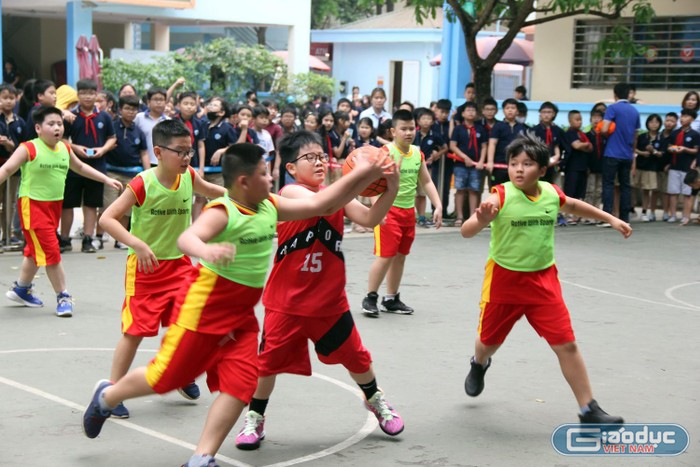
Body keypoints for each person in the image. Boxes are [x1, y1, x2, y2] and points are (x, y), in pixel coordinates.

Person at [82, 142, 393, 467]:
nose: (270, 179)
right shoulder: (222, 211)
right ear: (244, 182)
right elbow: (187, 238)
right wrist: (205, 251)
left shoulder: (271, 206)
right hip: (203, 310)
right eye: (263, 174)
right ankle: (108, 396)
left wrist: (369, 173)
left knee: (241, 383)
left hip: (241, 315)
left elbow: (323, 202)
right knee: (167, 378)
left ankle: (202, 458)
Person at [234, 131, 403, 450]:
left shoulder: (335, 195)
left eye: (322, 157)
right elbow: (320, 205)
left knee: (357, 358)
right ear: (291, 168)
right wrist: (366, 170)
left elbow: (369, 217)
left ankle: (375, 399)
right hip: (287, 302)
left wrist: (390, 185)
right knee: (267, 364)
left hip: (329, 301)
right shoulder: (289, 193)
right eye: (309, 158)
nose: (319, 162)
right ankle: (255, 418)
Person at [460, 132, 631, 424]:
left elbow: (574, 205)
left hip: (543, 282)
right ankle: (479, 364)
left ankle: (589, 408)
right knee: (487, 342)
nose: (518, 169)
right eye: (514, 163)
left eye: (527, 164)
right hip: (505, 281)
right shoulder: (499, 195)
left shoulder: (551, 193)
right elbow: (466, 230)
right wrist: (482, 219)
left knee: (567, 344)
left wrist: (610, 218)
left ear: (542, 169)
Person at [99, 119, 227, 419]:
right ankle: (112, 390)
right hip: (145, 270)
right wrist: (138, 244)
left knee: (189, 323)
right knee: (134, 333)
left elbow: (212, 190)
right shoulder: (144, 182)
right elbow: (108, 219)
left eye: (189, 152)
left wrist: (244, 199)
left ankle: (181, 376)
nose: (186, 158)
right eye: (180, 152)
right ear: (158, 151)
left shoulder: (189, 177)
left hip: (179, 265)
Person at [0, 106, 121, 317]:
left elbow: (81, 168)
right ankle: (63, 295)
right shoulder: (28, 148)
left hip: (54, 206)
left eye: (59, 123)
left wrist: (105, 178)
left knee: (35, 250)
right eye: (51, 124)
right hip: (32, 206)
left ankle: (21, 289)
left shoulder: (64, 149)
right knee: (51, 251)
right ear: (38, 128)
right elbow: (7, 169)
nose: (57, 128)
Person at [361, 109, 443, 317]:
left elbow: (426, 181)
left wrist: (438, 205)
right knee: (385, 256)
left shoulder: (417, 153)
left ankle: (391, 298)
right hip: (389, 211)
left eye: (411, 128)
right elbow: (373, 184)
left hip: (408, 213)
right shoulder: (386, 153)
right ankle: (370, 297)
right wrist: (379, 210)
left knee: (400, 257)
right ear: (392, 131)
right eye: (403, 129)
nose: (408, 132)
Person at [61, 79, 117, 253]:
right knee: (68, 204)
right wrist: (75, 148)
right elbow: (62, 139)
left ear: (96, 95)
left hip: (97, 166)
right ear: (78, 95)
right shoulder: (71, 116)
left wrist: (103, 149)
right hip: (73, 166)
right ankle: (64, 239)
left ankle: (87, 238)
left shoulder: (104, 116)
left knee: (91, 204)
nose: (87, 96)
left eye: (91, 93)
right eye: (83, 93)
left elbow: (112, 138)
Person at [102, 95, 149, 249]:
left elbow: (144, 153)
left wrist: (148, 173)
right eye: (127, 108)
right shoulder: (112, 127)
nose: (131, 112)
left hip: (132, 174)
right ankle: (98, 236)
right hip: (111, 173)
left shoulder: (139, 131)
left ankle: (120, 240)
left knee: (126, 209)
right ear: (120, 109)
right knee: (109, 204)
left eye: (134, 109)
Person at [601, 82, 641, 224]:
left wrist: (606, 134)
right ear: (629, 94)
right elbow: (636, 136)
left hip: (612, 152)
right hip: (627, 154)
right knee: (625, 186)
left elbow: (604, 129)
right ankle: (625, 218)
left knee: (608, 185)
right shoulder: (634, 111)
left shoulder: (612, 108)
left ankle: (607, 218)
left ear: (615, 94)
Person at [449, 102, 487, 224]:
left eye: (473, 110)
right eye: (468, 110)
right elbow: (453, 146)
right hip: (460, 165)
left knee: (474, 190)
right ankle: (459, 216)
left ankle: (472, 216)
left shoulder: (480, 128)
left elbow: (484, 146)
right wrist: (465, 158)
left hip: (476, 166)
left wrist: (481, 161)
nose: (471, 112)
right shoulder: (458, 129)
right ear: (463, 113)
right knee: (460, 190)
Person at [0, 84, 27, 245]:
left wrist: (10, 145)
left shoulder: (20, 122)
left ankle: (7, 236)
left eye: (11, 98)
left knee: (10, 202)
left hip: (14, 168)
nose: (8, 102)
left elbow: (24, 146)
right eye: (4, 98)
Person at [666, 108, 699, 225]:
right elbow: (669, 146)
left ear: (692, 119)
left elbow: (696, 150)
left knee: (687, 193)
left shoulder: (695, 134)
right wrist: (672, 149)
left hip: (687, 167)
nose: (683, 119)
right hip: (675, 165)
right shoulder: (674, 133)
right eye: (682, 116)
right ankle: (673, 214)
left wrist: (685, 149)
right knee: (673, 192)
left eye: (686, 116)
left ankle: (686, 216)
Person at [414, 107, 446, 227]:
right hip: (412, 168)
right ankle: (412, 216)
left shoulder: (435, 135)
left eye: (429, 119)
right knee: (413, 193)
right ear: (418, 121)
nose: (426, 121)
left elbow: (445, 147)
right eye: (424, 118)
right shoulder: (413, 134)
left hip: (427, 168)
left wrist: (436, 155)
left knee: (422, 193)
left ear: (433, 121)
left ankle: (421, 217)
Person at [487, 98, 527, 188]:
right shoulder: (498, 126)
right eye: (507, 108)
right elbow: (492, 144)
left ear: (517, 111)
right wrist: (490, 161)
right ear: (503, 111)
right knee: (498, 191)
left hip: (516, 166)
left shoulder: (522, 128)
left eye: (513, 108)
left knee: (516, 191)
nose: (510, 110)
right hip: (499, 165)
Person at [562, 110, 593, 224]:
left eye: (580, 119)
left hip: (583, 167)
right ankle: (568, 214)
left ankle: (577, 214)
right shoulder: (569, 133)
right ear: (570, 121)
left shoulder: (582, 134)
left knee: (580, 192)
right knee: (571, 191)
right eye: (577, 119)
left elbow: (590, 148)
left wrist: (584, 145)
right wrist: (584, 145)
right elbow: (576, 145)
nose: (579, 122)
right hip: (572, 167)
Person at [633, 114, 662, 222]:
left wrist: (653, 151)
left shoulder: (661, 137)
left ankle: (645, 212)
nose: (654, 124)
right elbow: (634, 149)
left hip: (651, 168)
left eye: (656, 122)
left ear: (659, 124)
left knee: (647, 190)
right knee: (633, 188)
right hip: (639, 166)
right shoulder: (642, 136)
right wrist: (642, 153)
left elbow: (661, 153)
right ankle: (632, 209)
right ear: (647, 123)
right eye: (651, 122)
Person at [134, 86, 169, 166]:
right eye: (155, 99)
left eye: (161, 100)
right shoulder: (139, 117)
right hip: (141, 163)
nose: (159, 102)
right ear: (148, 102)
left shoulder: (169, 121)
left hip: (162, 163)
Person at [174, 91, 206, 178]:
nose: (189, 107)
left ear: (196, 107)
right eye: (185, 103)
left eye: (192, 104)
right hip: (175, 163)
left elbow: (201, 146)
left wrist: (201, 168)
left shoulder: (199, 123)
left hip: (193, 163)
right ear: (179, 105)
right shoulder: (172, 122)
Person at [431, 99, 453, 218]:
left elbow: (452, 139)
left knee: (446, 186)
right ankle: (434, 209)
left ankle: (444, 211)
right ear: (436, 111)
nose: (444, 115)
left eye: (446, 112)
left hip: (448, 160)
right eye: (442, 112)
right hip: (435, 160)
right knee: (434, 184)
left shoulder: (450, 125)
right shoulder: (432, 125)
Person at [533, 102, 563, 184]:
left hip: (554, 165)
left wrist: (557, 157)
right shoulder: (534, 130)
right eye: (544, 112)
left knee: (554, 188)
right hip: (539, 164)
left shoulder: (558, 130)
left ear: (554, 114)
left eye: (549, 112)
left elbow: (558, 146)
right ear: (540, 114)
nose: (546, 115)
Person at [659, 112, 678, 221]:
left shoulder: (675, 136)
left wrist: (670, 164)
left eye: (672, 121)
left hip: (669, 167)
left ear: (676, 123)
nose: (669, 123)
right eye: (667, 120)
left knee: (667, 191)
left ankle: (667, 212)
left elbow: (674, 153)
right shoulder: (659, 134)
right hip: (657, 166)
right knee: (658, 190)